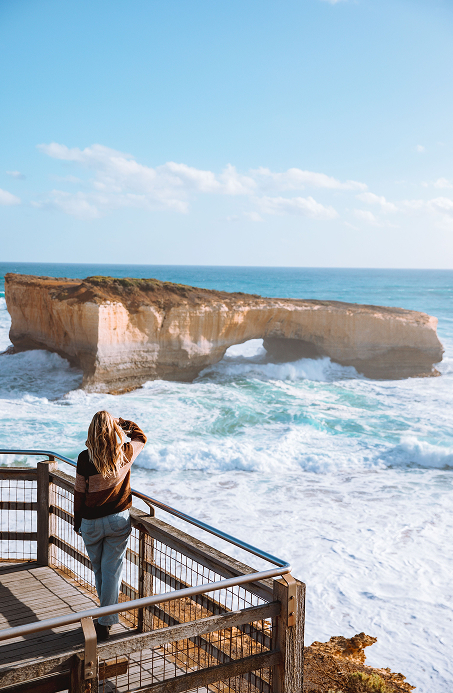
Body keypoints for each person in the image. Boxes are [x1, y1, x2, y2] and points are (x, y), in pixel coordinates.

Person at [74, 411, 147, 640]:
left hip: (91, 524)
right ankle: (105, 621)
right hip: (117, 521)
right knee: (111, 571)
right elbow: (141, 436)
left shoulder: (85, 458)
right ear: (112, 431)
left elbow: (79, 494)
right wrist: (121, 422)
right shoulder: (123, 453)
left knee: (100, 572)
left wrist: (78, 523)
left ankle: (104, 618)